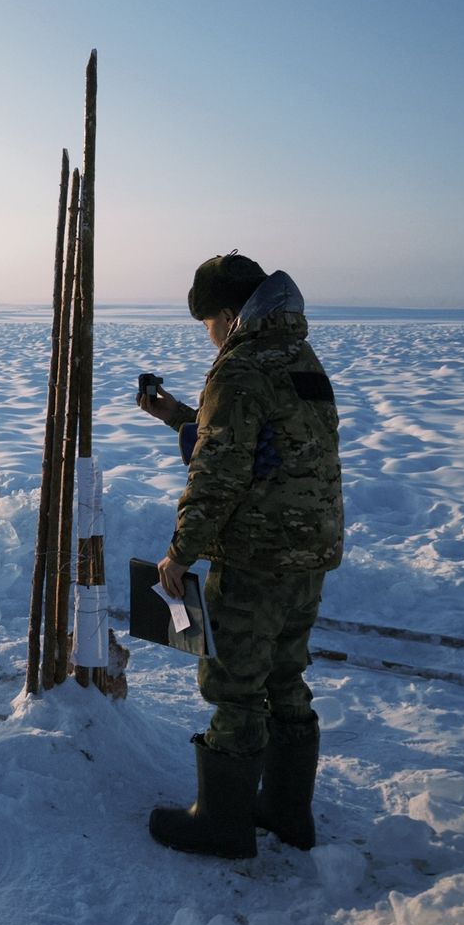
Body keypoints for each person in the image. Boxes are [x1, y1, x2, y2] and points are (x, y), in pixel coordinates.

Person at [136, 252, 342, 860]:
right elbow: (262, 446)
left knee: (232, 681)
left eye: (207, 325)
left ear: (227, 315)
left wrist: (179, 553)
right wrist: (177, 416)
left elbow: (220, 474)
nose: (209, 338)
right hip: (308, 551)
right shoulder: (298, 358)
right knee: (285, 674)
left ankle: (222, 824)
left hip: (256, 554)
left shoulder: (239, 370)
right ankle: (285, 810)